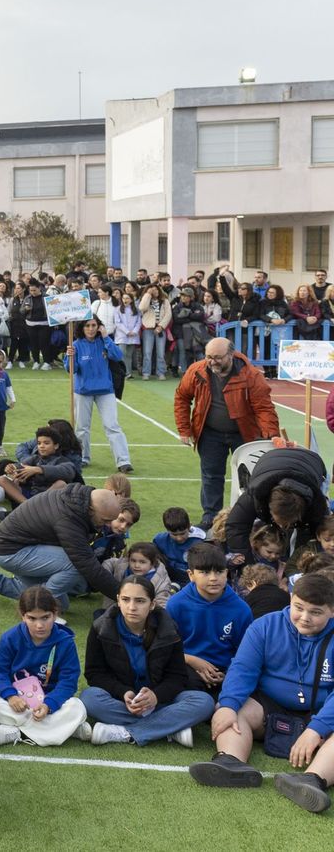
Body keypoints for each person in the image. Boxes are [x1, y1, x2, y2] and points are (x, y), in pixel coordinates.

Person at [189, 574, 334, 814]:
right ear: (290, 598)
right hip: (269, 707)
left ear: (332, 610)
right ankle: (230, 762)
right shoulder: (265, 625)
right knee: (236, 711)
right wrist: (227, 704)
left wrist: (316, 729)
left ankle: (312, 780)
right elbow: (242, 669)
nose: (305, 617)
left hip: (321, 714)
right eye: (298, 608)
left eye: (315, 612)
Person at [80, 575, 216, 747]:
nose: (131, 607)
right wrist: (123, 692)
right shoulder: (101, 627)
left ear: (152, 604)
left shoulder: (168, 628)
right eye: (126, 599)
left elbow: (177, 676)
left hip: (161, 701)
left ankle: (126, 732)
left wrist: (155, 696)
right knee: (89, 698)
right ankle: (169, 728)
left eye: (140, 601)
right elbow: (95, 674)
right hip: (122, 700)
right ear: (118, 601)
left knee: (203, 702)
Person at [173, 337, 279, 530]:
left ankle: (249, 518)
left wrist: (271, 436)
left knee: (249, 477)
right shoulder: (196, 371)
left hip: (244, 434)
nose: (212, 361)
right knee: (211, 476)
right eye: (208, 357)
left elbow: (264, 408)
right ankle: (210, 518)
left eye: (218, 357)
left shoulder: (251, 375)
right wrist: (184, 429)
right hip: (209, 433)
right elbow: (182, 397)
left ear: (231, 355)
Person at [0, 485, 131, 610]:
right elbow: (86, 564)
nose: (108, 526)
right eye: (105, 520)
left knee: (61, 605)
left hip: (25, 546)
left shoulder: (79, 500)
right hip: (10, 551)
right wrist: (123, 596)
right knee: (75, 566)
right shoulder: (68, 519)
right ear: (91, 510)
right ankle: (42, 609)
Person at [0, 586, 88, 746]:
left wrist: (49, 705)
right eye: (32, 618)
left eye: (45, 618)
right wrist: (11, 696)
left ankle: (16, 732)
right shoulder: (10, 638)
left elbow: (68, 681)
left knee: (77, 707)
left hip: (50, 701)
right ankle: (67, 729)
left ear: (55, 614)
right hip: (19, 701)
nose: (39, 625)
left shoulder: (65, 642)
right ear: (23, 616)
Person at [64, 317, 132, 474]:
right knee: (81, 428)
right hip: (83, 391)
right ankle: (82, 458)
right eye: (87, 326)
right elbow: (71, 370)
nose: (91, 329)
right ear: (82, 328)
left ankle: (123, 461)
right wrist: (70, 357)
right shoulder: (75, 345)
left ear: (99, 326)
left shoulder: (104, 341)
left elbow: (117, 356)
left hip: (105, 390)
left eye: (94, 325)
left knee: (112, 426)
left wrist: (106, 337)